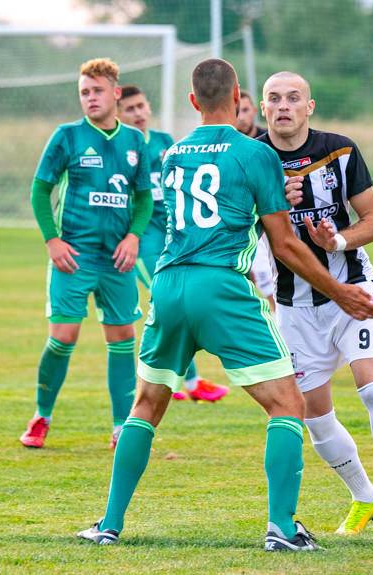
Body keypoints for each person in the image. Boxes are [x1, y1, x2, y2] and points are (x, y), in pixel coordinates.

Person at [76, 59, 373, 551]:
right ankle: (283, 529)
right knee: (287, 404)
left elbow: (209, 206)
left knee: (146, 405)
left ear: (193, 101)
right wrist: (341, 289)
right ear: (240, 97)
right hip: (220, 287)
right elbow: (283, 244)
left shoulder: (173, 154)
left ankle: (108, 525)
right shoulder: (254, 153)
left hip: (168, 285)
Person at [257, 71, 373, 538]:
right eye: (274, 99)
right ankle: (364, 497)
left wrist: (337, 239)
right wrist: (273, 203)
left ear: (309, 106)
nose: (283, 107)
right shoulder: (252, 157)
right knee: (314, 416)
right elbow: (239, 229)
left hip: (350, 290)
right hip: (293, 304)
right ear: (262, 108)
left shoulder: (339, 150)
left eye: (293, 98)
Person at [18, 58, 152, 450]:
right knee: (63, 336)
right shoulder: (67, 136)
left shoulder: (134, 142)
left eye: (96, 91)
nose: (90, 98)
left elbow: (143, 199)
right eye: (84, 92)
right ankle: (42, 415)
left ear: (115, 93)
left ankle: (120, 426)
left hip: (117, 260)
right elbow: (40, 190)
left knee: (123, 336)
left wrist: (134, 237)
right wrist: (52, 240)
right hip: (73, 256)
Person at [117, 84, 229, 403]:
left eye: (140, 106)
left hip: (173, 235)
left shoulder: (166, 143)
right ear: (118, 114)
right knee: (168, 303)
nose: (137, 113)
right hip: (141, 240)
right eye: (129, 109)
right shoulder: (121, 148)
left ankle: (175, 380)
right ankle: (187, 381)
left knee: (173, 304)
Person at [236, 91, 276, 313]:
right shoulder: (230, 145)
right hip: (242, 222)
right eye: (237, 111)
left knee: (270, 279)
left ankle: (278, 320)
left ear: (255, 110)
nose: (241, 116)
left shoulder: (268, 142)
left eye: (245, 110)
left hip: (270, 218)